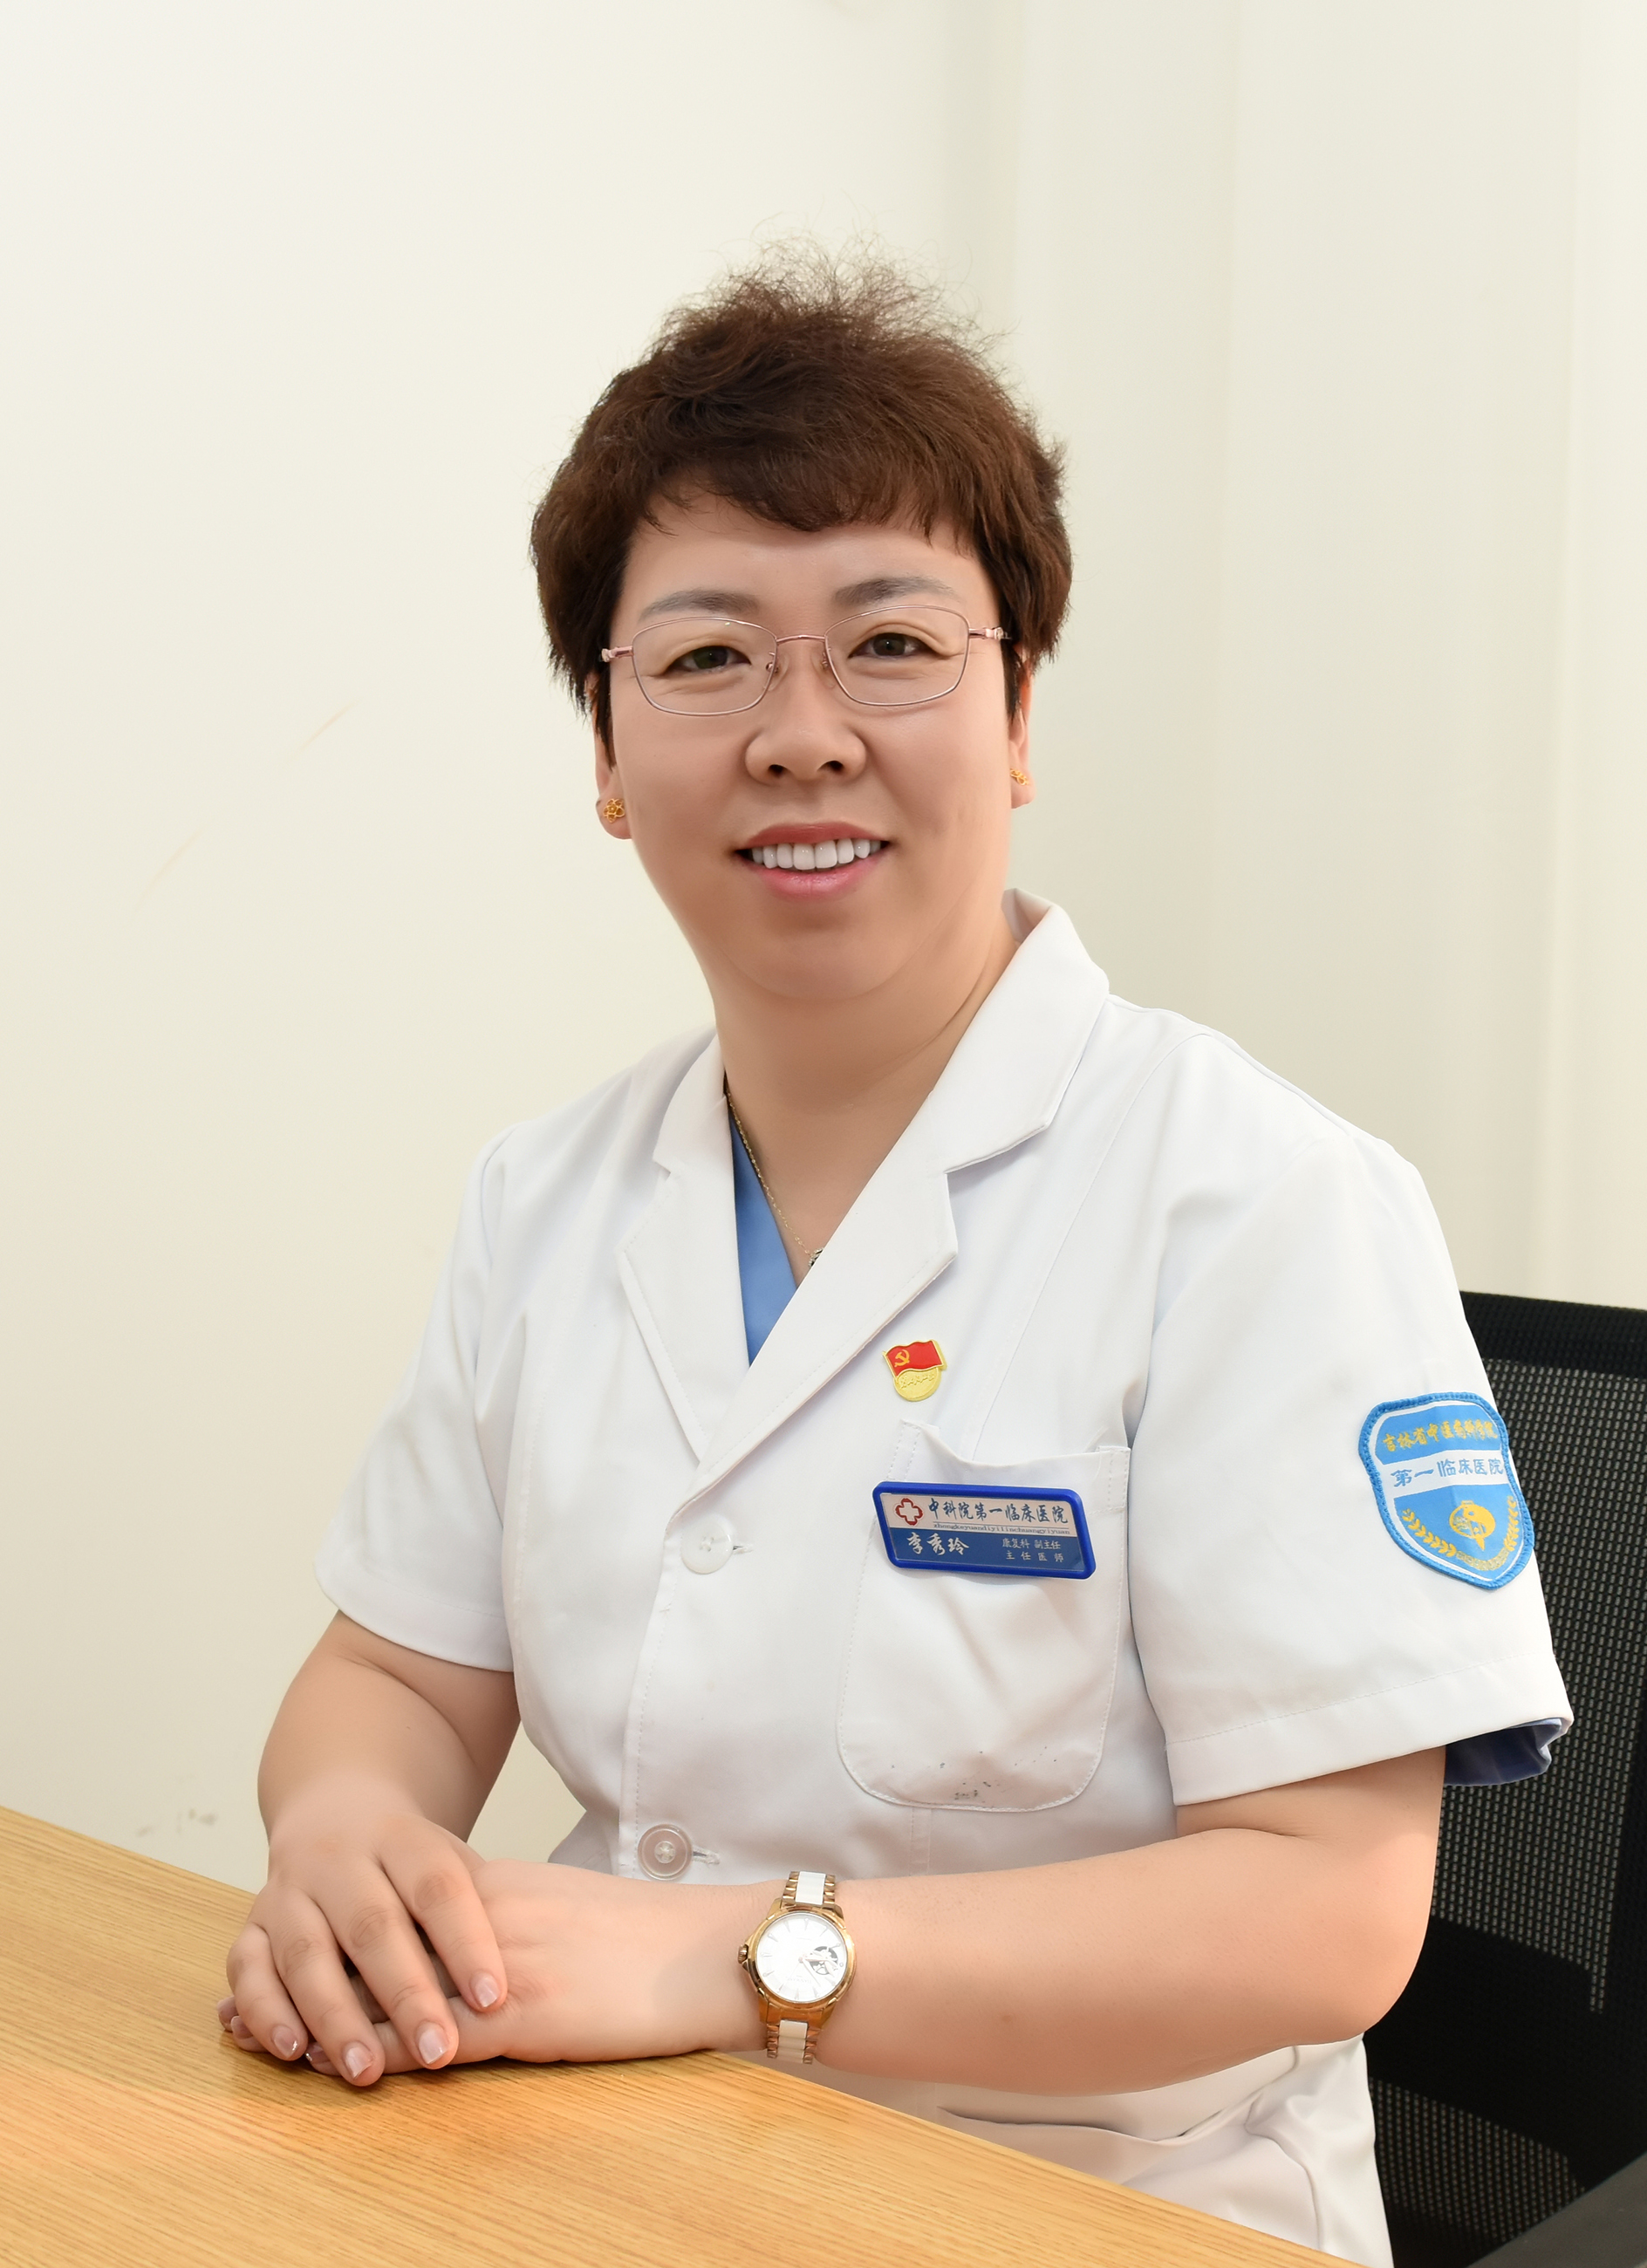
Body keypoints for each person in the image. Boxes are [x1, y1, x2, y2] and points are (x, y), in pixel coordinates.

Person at [218, 251, 1570, 2265]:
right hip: (616, 2172)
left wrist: (738, 1957)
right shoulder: (544, 1198)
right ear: (607, 753)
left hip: (1096, 2210)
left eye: (890, 644)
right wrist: (346, 1830)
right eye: (705, 657)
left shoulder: (1261, 1204)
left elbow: (1322, 1910)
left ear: (1016, 715)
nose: (800, 734)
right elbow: (398, 1668)